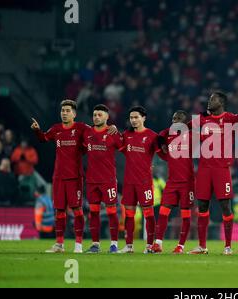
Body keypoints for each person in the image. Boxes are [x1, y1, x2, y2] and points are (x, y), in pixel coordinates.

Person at [188, 91, 238, 255]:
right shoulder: (202, 119)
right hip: (204, 169)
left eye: (212, 99)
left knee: (226, 206)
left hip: (222, 170)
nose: (209, 101)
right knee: (202, 206)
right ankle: (202, 246)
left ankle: (228, 246)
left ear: (221, 102)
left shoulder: (231, 119)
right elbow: (183, 125)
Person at [31, 100, 90, 254]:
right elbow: (43, 138)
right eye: (63, 110)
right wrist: (37, 130)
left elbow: (97, 131)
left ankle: (78, 245)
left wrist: (110, 127)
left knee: (77, 209)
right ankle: (59, 244)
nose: (64, 113)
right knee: (59, 211)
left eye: (67, 111)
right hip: (58, 177)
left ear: (74, 114)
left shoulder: (82, 128)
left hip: (74, 177)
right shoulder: (56, 129)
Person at [118, 106, 159, 254]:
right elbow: (120, 148)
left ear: (144, 118)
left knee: (148, 213)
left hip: (144, 182)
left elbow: (162, 152)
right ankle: (129, 246)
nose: (133, 120)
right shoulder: (126, 135)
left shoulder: (152, 136)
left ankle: (149, 246)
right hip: (129, 181)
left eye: (136, 117)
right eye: (131, 118)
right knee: (129, 214)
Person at [83, 104, 123, 254]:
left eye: (100, 114)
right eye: (94, 115)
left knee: (112, 212)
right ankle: (95, 244)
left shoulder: (113, 133)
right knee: (93, 212)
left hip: (108, 180)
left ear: (107, 116)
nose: (96, 117)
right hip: (92, 180)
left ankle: (113, 245)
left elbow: (126, 149)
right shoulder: (86, 133)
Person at [154, 110, 195, 254]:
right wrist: (161, 146)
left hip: (187, 182)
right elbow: (159, 136)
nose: (174, 121)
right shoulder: (168, 134)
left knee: (185, 214)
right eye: (173, 118)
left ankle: (181, 246)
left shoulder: (191, 136)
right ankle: (158, 243)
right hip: (172, 182)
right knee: (163, 211)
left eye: (178, 119)